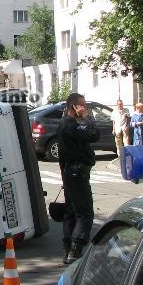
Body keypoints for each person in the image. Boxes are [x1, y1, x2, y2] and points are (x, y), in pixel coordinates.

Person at [57, 93, 100, 266]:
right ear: (74, 106)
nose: (85, 108)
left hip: (70, 173)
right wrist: (86, 116)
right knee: (84, 213)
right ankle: (75, 249)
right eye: (82, 105)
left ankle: (68, 250)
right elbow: (94, 134)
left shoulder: (65, 124)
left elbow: (61, 155)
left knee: (71, 211)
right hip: (76, 173)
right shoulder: (70, 125)